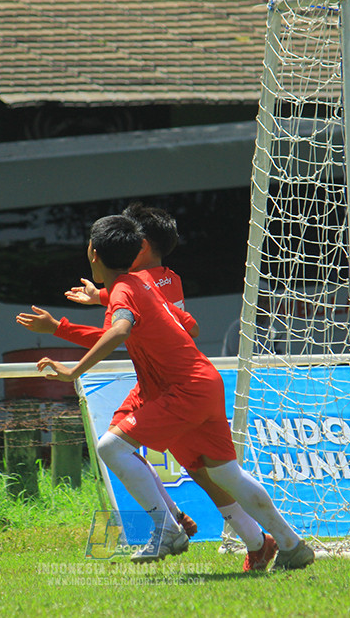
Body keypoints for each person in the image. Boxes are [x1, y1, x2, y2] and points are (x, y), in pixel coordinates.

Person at [33, 214, 314, 569]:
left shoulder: (125, 290)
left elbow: (119, 331)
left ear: (92, 253)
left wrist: (74, 367)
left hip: (181, 389)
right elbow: (184, 324)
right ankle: (290, 545)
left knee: (111, 447)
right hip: (201, 383)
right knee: (226, 474)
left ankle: (168, 527)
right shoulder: (141, 283)